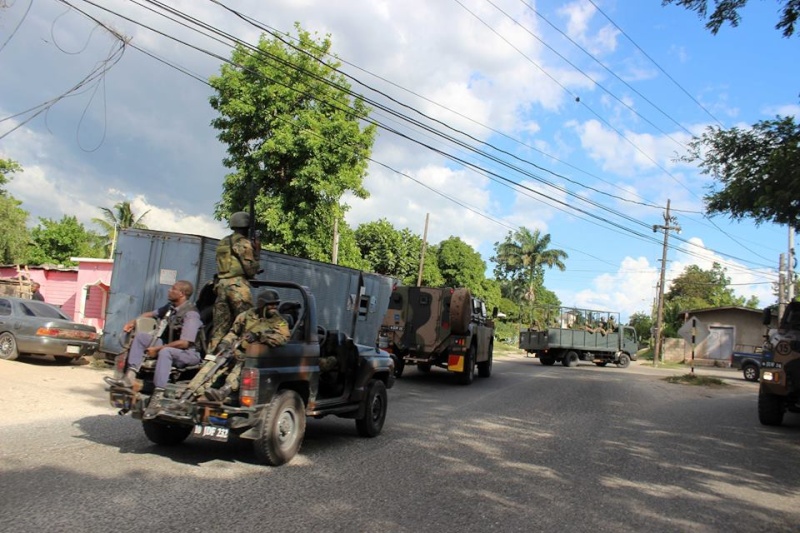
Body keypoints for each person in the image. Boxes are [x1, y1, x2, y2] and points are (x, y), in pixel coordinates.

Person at [106, 280, 203, 416]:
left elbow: (185, 343)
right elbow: (150, 314)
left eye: (173, 289)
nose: (169, 290)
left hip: (189, 354)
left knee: (165, 352)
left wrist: (157, 349)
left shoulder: (191, 314)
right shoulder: (171, 308)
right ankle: (130, 377)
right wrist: (133, 322)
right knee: (141, 337)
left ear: (182, 294)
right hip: (171, 347)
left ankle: (157, 397)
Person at [195, 289, 290, 402]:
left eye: (276, 304)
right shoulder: (246, 316)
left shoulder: (280, 322)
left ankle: (224, 391)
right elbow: (234, 332)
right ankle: (194, 391)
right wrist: (225, 343)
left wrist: (260, 336)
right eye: (271, 304)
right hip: (237, 350)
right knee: (213, 363)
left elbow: (283, 338)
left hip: (255, 357)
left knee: (241, 368)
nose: (274, 307)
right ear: (261, 304)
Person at [209, 211, 261, 352]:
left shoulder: (224, 241)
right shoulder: (243, 243)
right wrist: (257, 252)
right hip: (238, 286)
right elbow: (251, 269)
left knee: (220, 327)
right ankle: (240, 358)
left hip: (221, 285)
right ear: (246, 226)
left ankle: (211, 356)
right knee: (247, 322)